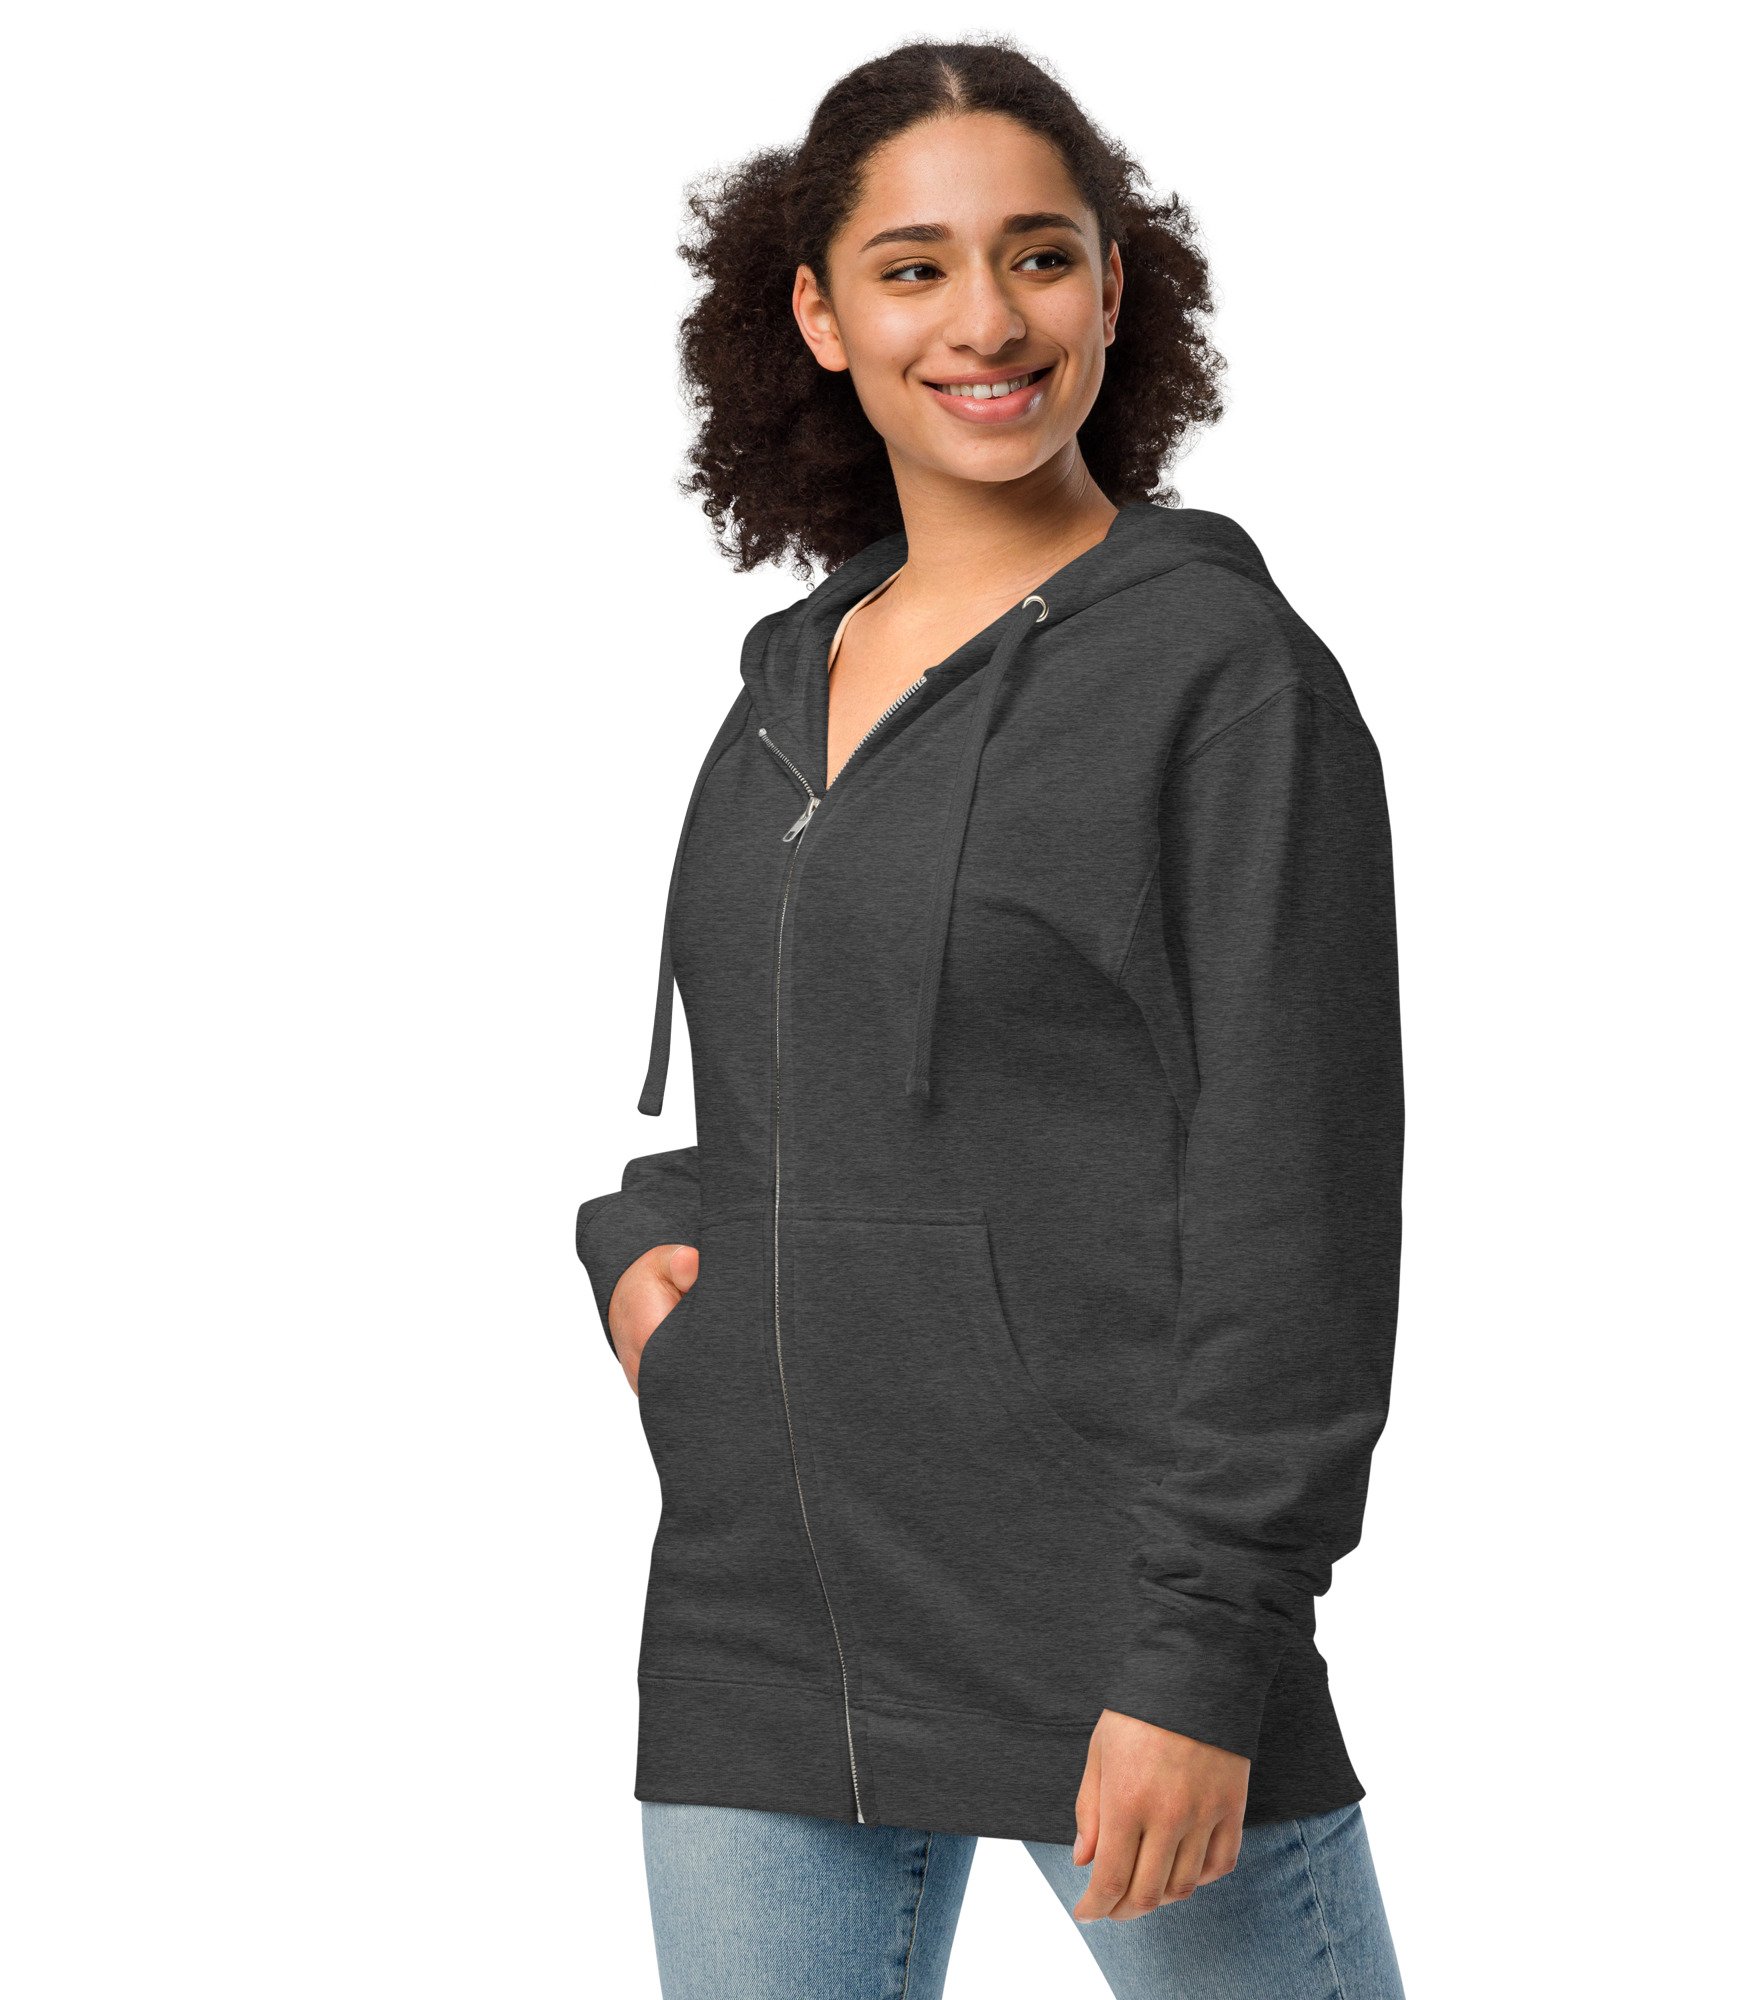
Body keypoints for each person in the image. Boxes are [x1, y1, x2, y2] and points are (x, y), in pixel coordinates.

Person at [575, 37, 1408, 2000]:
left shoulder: (1223, 683)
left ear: (1115, 285)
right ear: (820, 313)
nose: (985, 321)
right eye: (914, 267)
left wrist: (1206, 1649)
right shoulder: (795, 673)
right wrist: (647, 1250)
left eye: (1038, 255)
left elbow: (1295, 1200)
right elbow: (788, 1075)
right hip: (765, 1612)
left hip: (1104, 1609)